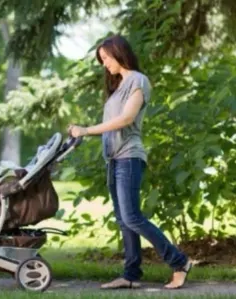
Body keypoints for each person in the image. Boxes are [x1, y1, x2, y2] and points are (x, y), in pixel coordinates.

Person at [67, 34, 192, 289]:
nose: (104, 64)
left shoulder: (138, 80)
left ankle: (180, 262)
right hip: (114, 160)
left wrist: (87, 130)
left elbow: (126, 119)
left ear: (119, 53)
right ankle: (131, 275)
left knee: (133, 217)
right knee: (124, 220)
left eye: (106, 58)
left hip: (129, 158)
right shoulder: (117, 89)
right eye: (101, 60)